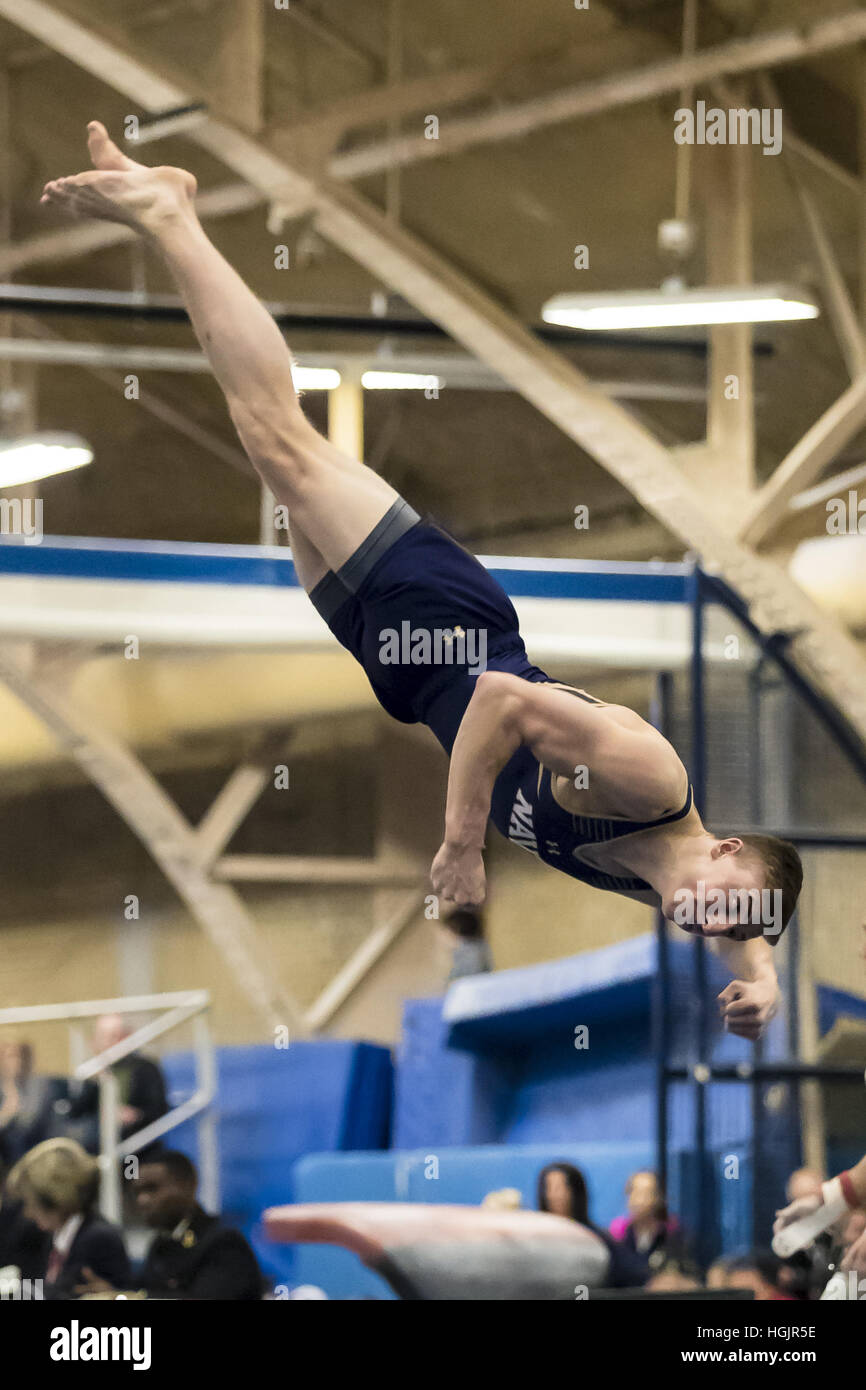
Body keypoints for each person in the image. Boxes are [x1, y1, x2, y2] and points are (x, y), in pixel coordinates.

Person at [40, 123, 804, 1043]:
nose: (708, 929)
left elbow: (739, 912)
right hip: (455, 632)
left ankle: (171, 218)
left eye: (723, 932)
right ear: (721, 846)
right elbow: (497, 698)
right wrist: (458, 843)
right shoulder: (647, 782)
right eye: (724, 912)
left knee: (277, 446)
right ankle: (173, 215)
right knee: (276, 436)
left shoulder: (672, 883)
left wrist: (763, 977)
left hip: (404, 674)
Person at [76, 1150, 263, 1301]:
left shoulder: (223, 1241)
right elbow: (145, 1292)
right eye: (137, 1192)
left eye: (152, 1189)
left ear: (189, 1185)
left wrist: (124, 1297)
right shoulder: (161, 1242)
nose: (142, 1200)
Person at [6, 1138, 131, 1298]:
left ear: (54, 1198)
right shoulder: (53, 1237)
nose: (27, 1213)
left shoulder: (99, 1239)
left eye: (31, 1203)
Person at [66, 1014, 168, 1156]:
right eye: (103, 1037)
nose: (109, 1043)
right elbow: (75, 1112)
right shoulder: (89, 1072)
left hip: (135, 1147)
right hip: (94, 1146)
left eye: (116, 1036)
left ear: (127, 1037)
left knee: (132, 1171)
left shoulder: (146, 1068)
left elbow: (158, 1109)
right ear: (94, 1041)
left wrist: (134, 1115)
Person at [537, 1161, 647, 1287]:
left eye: (560, 1187)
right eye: (548, 1187)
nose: (553, 1195)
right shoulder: (536, 1241)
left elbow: (632, 1275)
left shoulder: (597, 1239)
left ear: (576, 1192)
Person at [608, 1169, 686, 1277]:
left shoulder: (672, 1232)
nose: (639, 1200)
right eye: (634, 1192)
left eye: (647, 1193)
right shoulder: (618, 1233)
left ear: (660, 1198)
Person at [0, 1040, 58, 1166]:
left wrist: (12, 1095)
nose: (13, 1062)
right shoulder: (2, 1085)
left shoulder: (38, 1084)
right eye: (7, 1057)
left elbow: (29, 1123)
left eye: (16, 1056)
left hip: (33, 1150)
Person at [441, 908, 493, 980]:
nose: (444, 935)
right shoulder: (482, 946)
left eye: (447, 931)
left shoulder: (467, 954)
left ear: (456, 930)